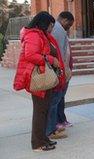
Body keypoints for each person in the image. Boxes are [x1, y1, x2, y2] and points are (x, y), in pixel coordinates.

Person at [13, 11, 66, 151]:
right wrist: (51, 59)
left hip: (44, 77)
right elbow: (30, 55)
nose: (51, 29)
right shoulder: (33, 35)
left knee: (45, 109)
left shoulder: (42, 35)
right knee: (40, 111)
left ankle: (43, 138)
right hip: (38, 78)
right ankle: (37, 143)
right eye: (50, 25)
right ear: (43, 23)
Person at [46, 11, 74, 139]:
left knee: (57, 98)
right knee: (56, 99)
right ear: (64, 20)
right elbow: (60, 53)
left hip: (59, 69)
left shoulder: (57, 29)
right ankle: (52, 127)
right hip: (59, 70)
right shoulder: (59, 30)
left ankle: (55, 124)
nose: (70, 26)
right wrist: (63, 71)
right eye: (70, 24)